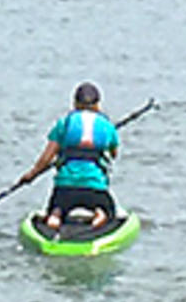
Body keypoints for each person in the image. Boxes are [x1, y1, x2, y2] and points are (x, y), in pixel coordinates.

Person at [13, 81, 121, 230]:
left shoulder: (64, 123)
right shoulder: (107, 126)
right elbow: (114, 154)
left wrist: (31, 175)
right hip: (95, 187)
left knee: (58, 207)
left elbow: (46, 158)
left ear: (75, 103)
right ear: (97, 105)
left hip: (65, 187)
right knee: (106, 208)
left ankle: (56, 215)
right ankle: (100, 212)